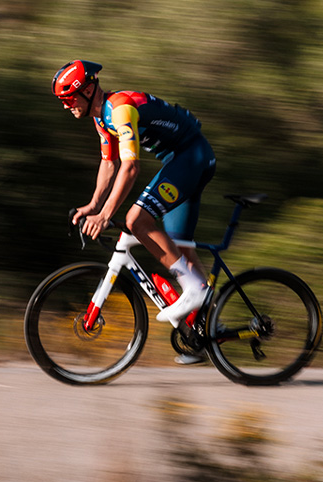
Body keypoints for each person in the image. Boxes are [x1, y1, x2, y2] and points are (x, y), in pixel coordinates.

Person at [52, 60, 215, 362]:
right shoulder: (101, 117)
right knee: (178, 246)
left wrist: (104, 216)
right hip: (183, 160)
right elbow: (109, 163)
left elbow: (130, 167)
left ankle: (193, 290)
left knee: (136, 219)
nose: (66, 106)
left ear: (88, 90)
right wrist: (93, 205)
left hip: (191, 156)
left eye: (69, 98)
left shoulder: (120, 109)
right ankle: (205, 334)